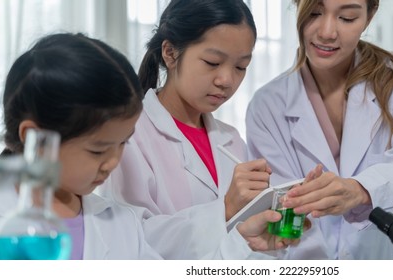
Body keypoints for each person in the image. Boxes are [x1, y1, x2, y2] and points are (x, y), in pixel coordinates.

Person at [0, 33, 298, 260]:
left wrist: (241, 243)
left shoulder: (120, 224)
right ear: (35, 139)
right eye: (98, 150)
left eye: (122, 144)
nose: (113, 161)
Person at [98, 0, 313, 259]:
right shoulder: (128, 136)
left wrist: (270, 229)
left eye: (240, 67)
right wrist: (225, 209)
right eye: (212, 62)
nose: (227, 81)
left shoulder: (230, 140)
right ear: (170, 52)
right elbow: (129, 241)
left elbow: (240, 242)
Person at [245, 0, 393, 259]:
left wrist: (361, 189)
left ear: (369, 16)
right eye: (314, 13)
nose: (327, 32)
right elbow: (282, 211)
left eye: (346, 18)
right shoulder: (267, 106)